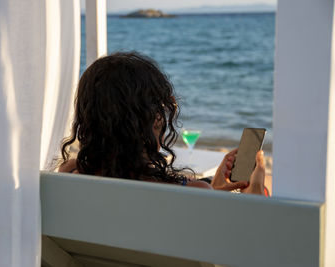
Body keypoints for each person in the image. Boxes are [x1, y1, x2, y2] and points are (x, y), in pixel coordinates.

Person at [59, 52, 266, 195]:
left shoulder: (69, 173)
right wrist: (254, 195)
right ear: (151, 119)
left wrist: (214, 192)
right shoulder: (194, 193)